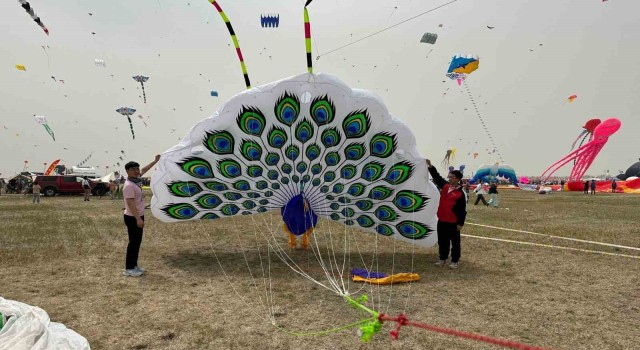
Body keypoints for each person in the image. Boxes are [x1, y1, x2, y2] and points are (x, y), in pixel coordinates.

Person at [123, 155, 160, 277]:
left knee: (137, 242)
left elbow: (144, 170)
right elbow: (130, 203)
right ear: (127, 171)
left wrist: (154, 161)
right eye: (133, 169)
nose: (137, 171)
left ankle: (134, 265)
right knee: (133, 242)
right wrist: (138, 218)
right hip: (133, 217)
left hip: (138, 216)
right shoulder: (129, 185)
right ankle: (129, 268)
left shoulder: (136, 180)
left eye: (137, 169)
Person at [425, 159, 467, 269]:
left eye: (452, 177)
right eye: (449, 177)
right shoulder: (445, 186)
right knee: (442, 241)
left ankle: (454, 260)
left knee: (455, 243)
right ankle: (442, 258)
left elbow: (462, 210)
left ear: (457, 179)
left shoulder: (460, 194)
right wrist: (430, 166)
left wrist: (460, 223)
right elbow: (437, 177)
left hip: (453, 222)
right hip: (442, 220)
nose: (449, 178)